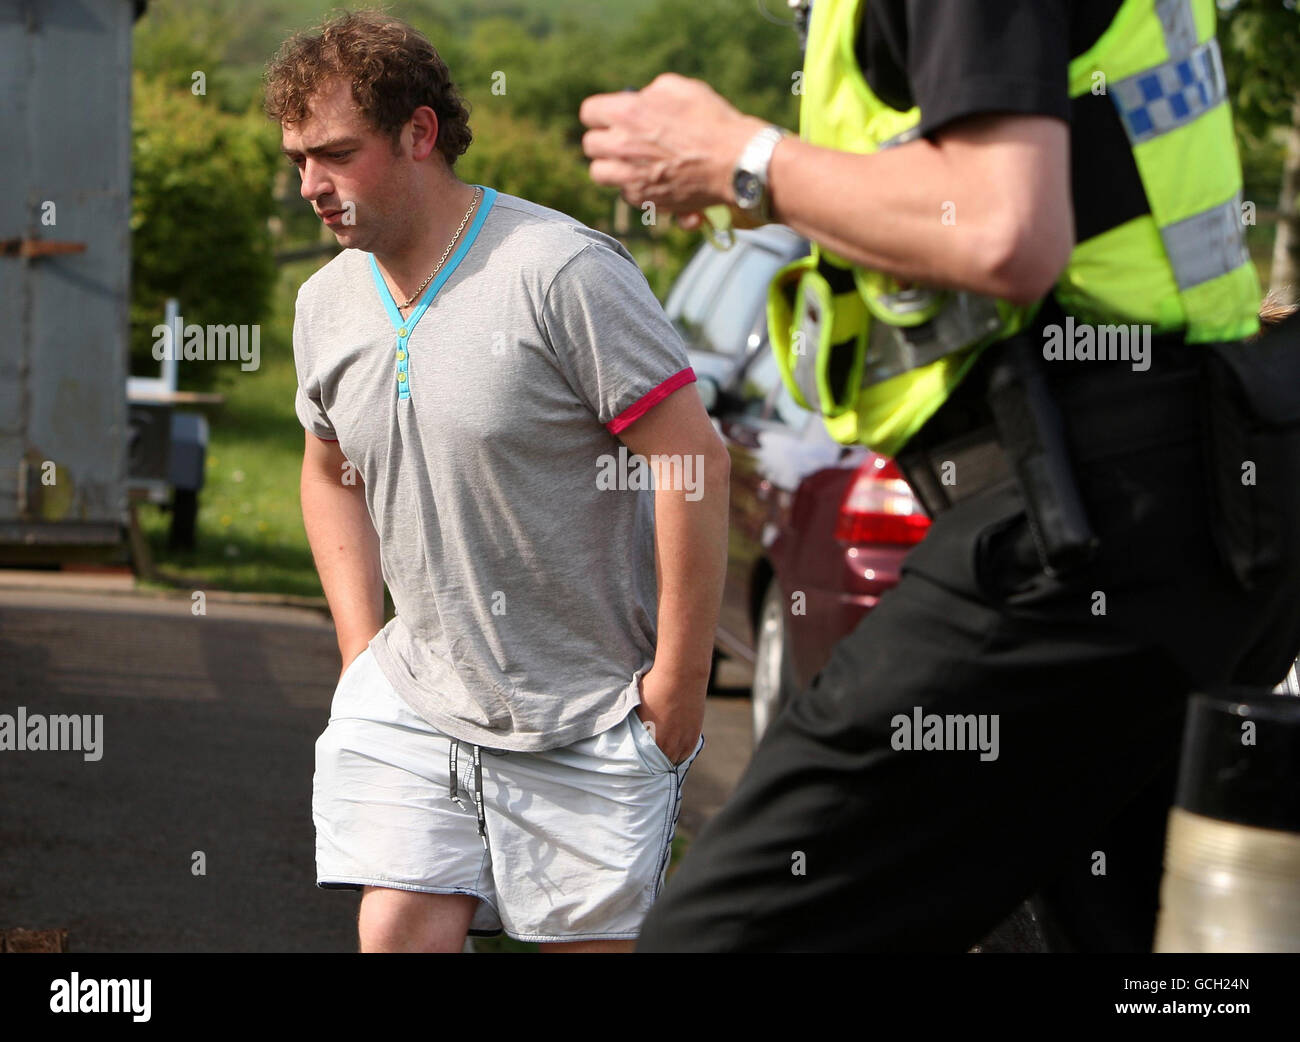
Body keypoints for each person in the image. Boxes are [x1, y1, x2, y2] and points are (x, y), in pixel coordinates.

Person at [580, 0, 1300, 951]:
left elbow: (1004, 227)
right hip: (1205, 492)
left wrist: (741, 159)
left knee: (720, 935)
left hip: (1088, 519)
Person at [265, 10, 730, 952]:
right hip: (417, 692)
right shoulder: (326, 302)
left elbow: (693, 461)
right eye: (299, 160)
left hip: (590, 710)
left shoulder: (559, 271)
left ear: (419, 134)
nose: (313, 185)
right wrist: (362, 655)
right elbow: (328, 473)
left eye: (337, 155)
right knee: (394, 932)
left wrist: (679, 686)